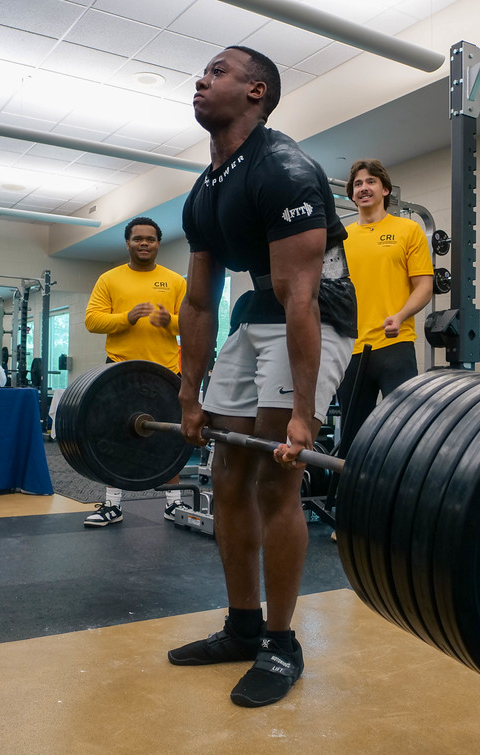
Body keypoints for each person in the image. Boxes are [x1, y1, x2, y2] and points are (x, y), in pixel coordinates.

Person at [169, 46, 357, 708]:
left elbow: (299, 296)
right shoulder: (205, 190)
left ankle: (282, 642)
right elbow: (197, 303)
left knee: (278, 476)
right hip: (254, 317)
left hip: (315, 316)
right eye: (203, 70)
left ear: (256, 92)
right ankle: (242, 627)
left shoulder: (283, 167)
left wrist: (304, 414)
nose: (201, 78)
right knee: (226, 475)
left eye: (216, 71)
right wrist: (189, 396)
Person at [83, 216, 191, 527]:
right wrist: (126, 318)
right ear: (128, 243)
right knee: (115, 438)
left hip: (164, 372)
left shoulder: (175, 281)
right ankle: (112, 506)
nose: (144, 243)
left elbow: (191, 322)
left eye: (150, 239)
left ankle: (174, 505)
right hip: (120, 372)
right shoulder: (109, 279)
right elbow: (92, 320)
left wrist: (168, 321)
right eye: (138, 238)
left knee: (172, 438)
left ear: (158, 243)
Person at [336, 159, 434, 453]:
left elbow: (424, 286)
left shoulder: (408, 230)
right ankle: (351, 498)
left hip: (395, 344)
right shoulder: (341, 238)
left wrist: (401, 315)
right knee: (353, 438)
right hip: (350, 350)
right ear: (352, 196)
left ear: (385, 190)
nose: (364, 188)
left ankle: (396, 498)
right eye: (357, 184)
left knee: (403, 432)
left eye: (371, 182)